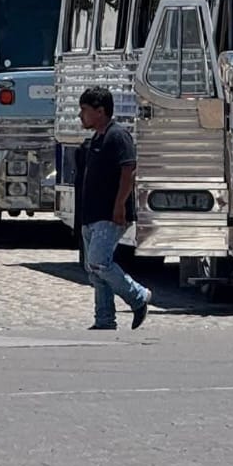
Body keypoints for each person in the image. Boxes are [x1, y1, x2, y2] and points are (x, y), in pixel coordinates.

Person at [75, 86, 151, 332]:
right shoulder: (96, 139)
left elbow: (129, 170)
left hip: (109, 214)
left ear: (100, 111)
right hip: (91, 214)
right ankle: (105, 319)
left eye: (84, 110)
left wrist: (119, 205)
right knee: (94, 271)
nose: (80, 115)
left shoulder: (118, 136)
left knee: (99, 261)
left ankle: (138, 296)